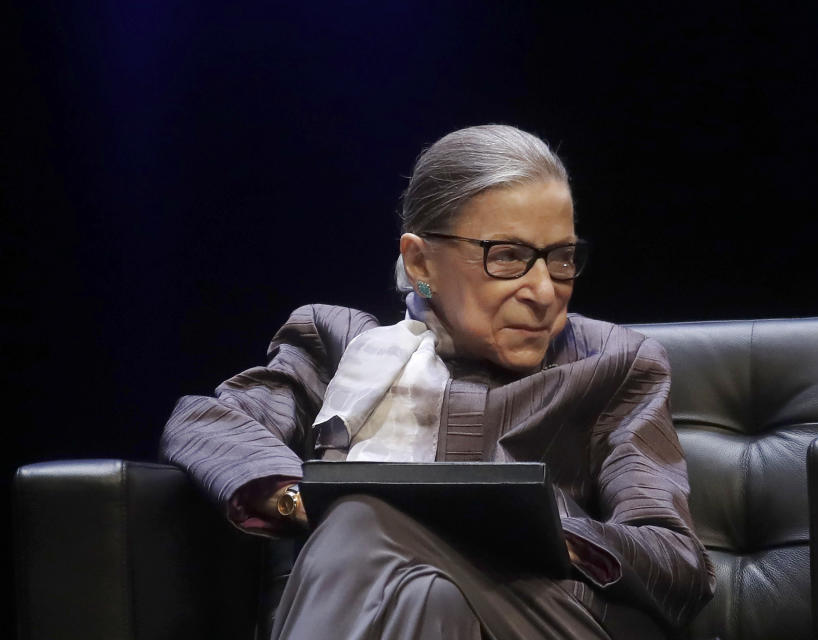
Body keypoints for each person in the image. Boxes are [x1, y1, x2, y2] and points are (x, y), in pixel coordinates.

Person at [160, 124, 716, 639]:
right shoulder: (338, 346)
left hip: (543, 619)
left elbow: (677, 564)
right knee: (427, 596)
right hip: (405, 615)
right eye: (509, 257)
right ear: (421, 262)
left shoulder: (613, 362)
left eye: (562, 258)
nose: (545, 291)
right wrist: (294, 497)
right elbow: (206, 423)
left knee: (362, 513)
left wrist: (534, 523)